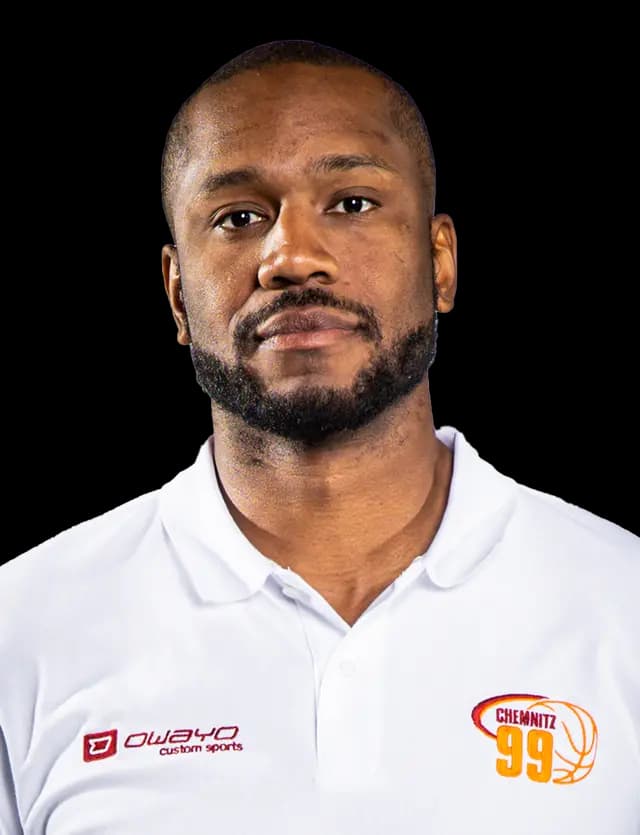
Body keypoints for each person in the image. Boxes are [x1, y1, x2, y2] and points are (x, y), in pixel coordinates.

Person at [1, 39, 638, 835]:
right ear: (176, 293)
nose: (293, 257)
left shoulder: (623, 602)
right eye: (238, 218)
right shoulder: (23, 626)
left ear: (440, 261)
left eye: (352, 204)